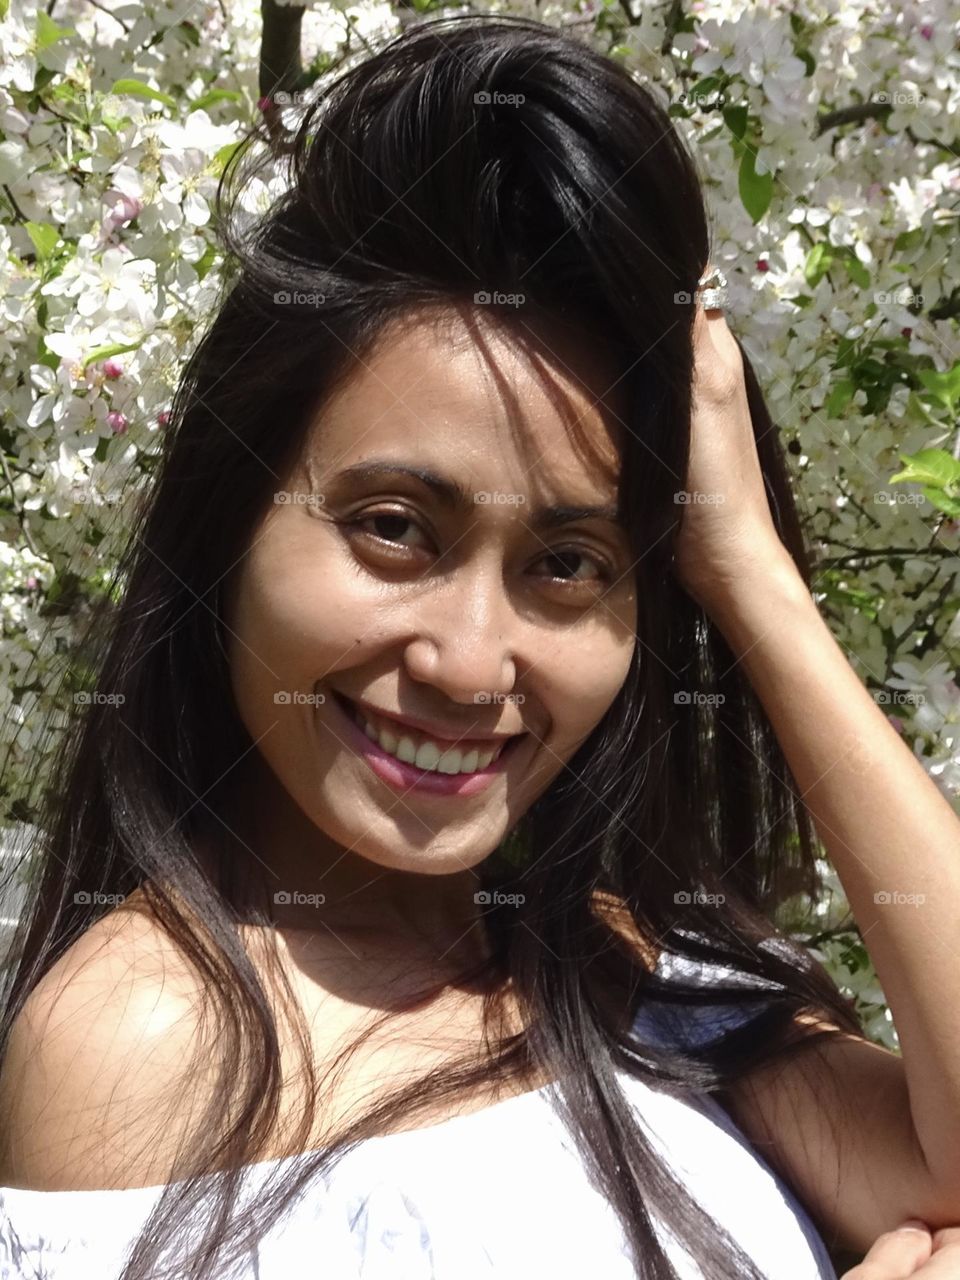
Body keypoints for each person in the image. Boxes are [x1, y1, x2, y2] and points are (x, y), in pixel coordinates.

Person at [1, 13, 959, 1280]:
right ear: (229, 526)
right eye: (394, 528)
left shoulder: (618, 963)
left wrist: (753, 577)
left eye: (569, 563)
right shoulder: (150, 1033)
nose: (469, 661)